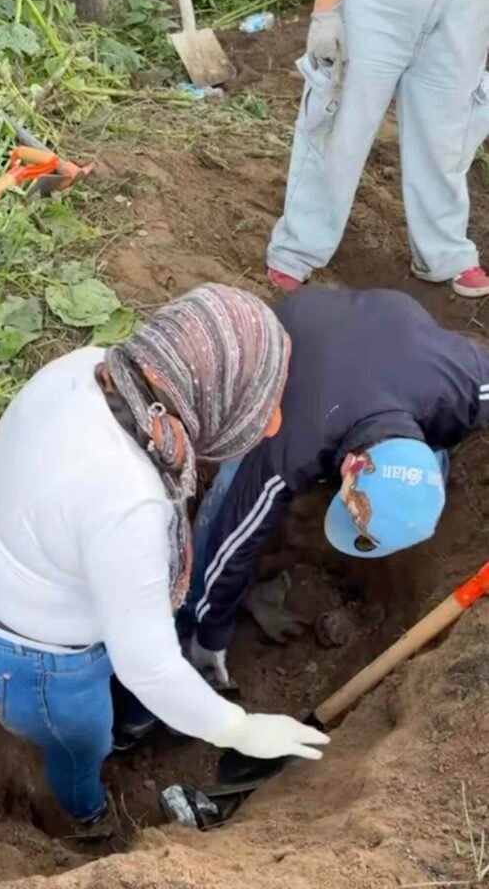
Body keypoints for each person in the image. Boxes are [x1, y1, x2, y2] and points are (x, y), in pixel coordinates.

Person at [0, 284, 329, 827]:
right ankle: (85, 822)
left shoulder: (88, 366)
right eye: (261, 406)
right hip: (33, 662)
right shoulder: (131, 501)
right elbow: (149, 668)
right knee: (81, 750)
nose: (273, 425)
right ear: (208, 391)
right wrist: (240, 729)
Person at [185, 285, 489, 683]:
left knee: (438, 450)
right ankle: (187, 606)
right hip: (295, 333)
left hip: (389, 330)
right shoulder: (287, 444)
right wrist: (209, 641)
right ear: (347, 466)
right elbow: (233, 541)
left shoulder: (465, 382)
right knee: (231, 494)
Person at [267, 0, 489, 299]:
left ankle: (444, 252)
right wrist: (326, 10)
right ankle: (298, 249)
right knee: (341, 126)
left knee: (447, 137)